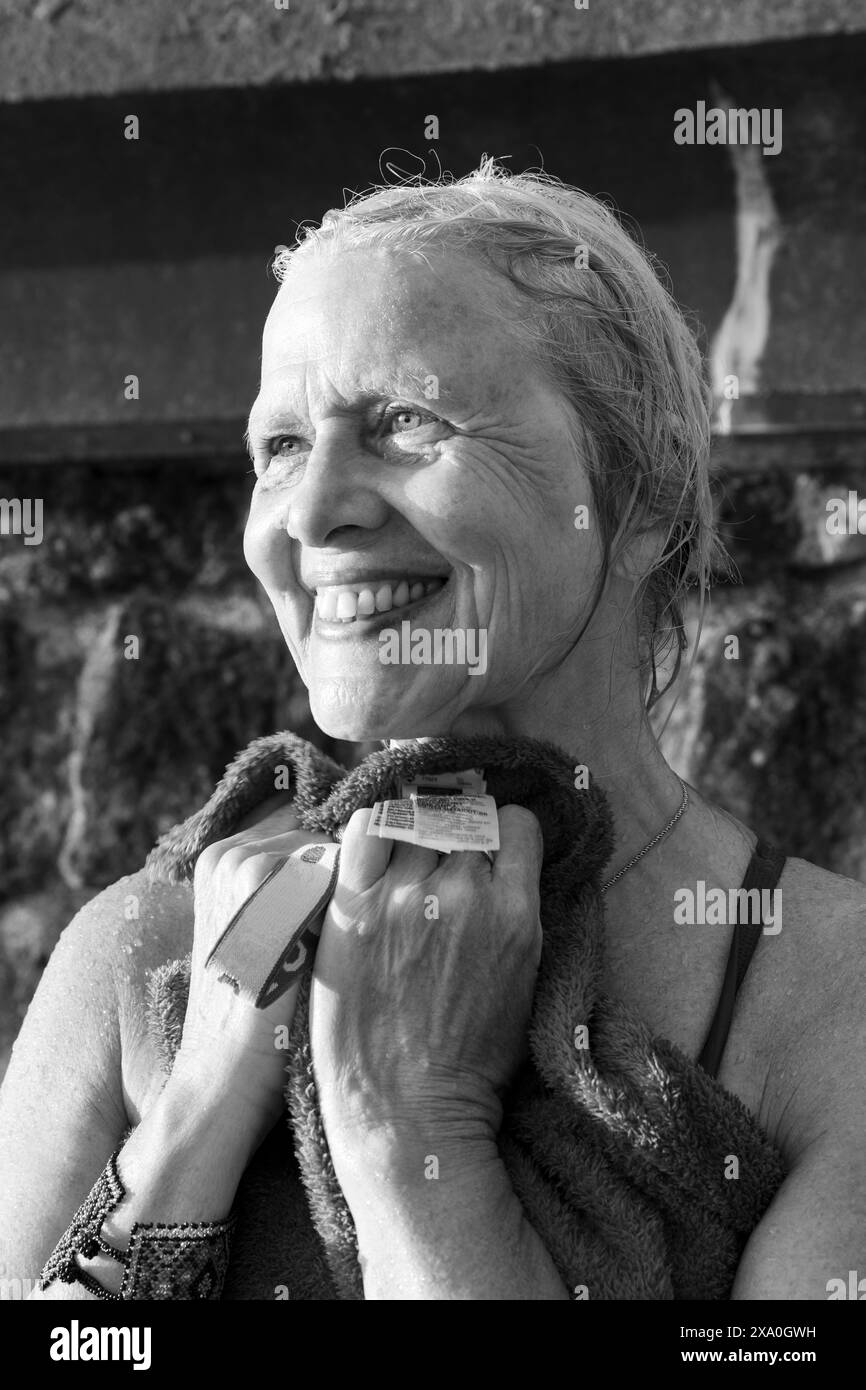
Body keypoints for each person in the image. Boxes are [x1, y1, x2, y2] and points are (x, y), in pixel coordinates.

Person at [2, 161, 864, 1300]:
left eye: (405, 421)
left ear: (642, 493)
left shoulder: (825, 997)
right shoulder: (140, 957)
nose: (311, 513)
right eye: (282, 447)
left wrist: (409, 1132)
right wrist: (201, 1113)